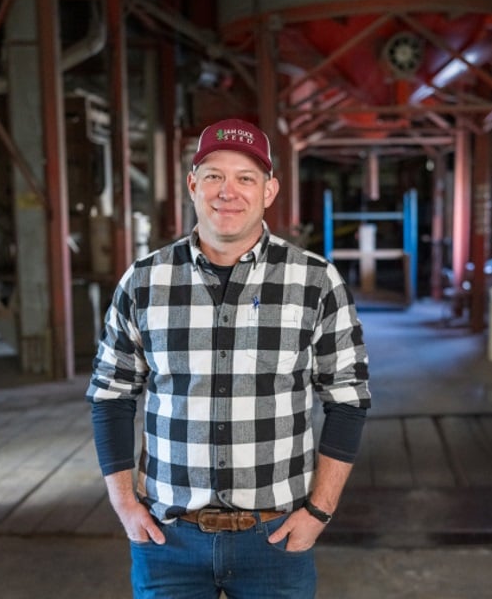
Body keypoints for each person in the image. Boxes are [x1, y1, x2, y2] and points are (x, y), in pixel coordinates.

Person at [86, 118, 371, 599]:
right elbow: (110, 397)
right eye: (214, 175)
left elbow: (348, 400)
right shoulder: (144, 281)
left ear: (269, 191)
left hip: (276, 538)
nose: (228, 191)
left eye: (246, 178)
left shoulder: (316, 282)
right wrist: (124, 505)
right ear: (193, 186)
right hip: (167, 538)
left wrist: (318, 513)